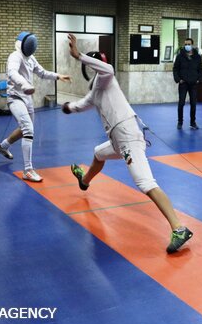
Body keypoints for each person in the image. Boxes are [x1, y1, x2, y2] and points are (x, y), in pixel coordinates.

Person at [62, 34, 193, 254]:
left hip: (128, 135)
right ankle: (84, 181)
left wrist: (78, 55)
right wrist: (68, 107)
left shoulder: (106, 78)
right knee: (98, 153)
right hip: (117, 139)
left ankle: (179, 228)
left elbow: (109, 69)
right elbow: (82, 104)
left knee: (145, 182)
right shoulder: (95, 91)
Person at [0, 31, 71, 182]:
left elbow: (41, 72)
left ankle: (2, 147)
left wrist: (58, 76)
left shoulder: (31, 58)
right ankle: (28, 170)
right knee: (28, 129)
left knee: (26, 130)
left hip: (27, 98)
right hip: (15, 98)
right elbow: (12, 73)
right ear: (22, 44)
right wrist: (24, 84)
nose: (32, 47)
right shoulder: (15, 56)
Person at [172, 38, 202, 130]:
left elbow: (200, 69)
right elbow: (175, 68)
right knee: (181, 103)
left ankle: (193, 122)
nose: (187, 46)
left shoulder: (197, 56)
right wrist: (178, 79)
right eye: (185, 44)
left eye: (189, 44)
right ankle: (180, 122)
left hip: (193, 83)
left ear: (192, 45)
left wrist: (199, 79)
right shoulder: (180, 56)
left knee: (193, 104)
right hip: (183, 83)